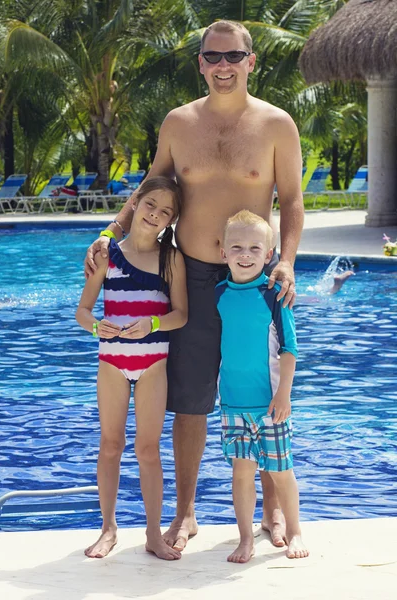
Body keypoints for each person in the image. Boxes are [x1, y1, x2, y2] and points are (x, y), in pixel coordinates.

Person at [84, 20, 305, 551]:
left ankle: (272, 513)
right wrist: (110, 232)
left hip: (254, 281)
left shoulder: (277, 125)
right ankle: (185, 513)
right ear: (201, 63)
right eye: (213, 57)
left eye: (234, 56)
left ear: (251, 61)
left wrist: (289, 262)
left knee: (258, 394)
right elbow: (152, 187)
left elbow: (293, 201)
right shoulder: (179, 123)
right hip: (190, 273)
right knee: (190, 399)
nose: (223, 66)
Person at [76, 176, 188, 560]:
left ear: (171, 221)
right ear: (136, 203)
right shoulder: (108, 255)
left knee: (148, 449)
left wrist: (152, 324)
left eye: (165, 212)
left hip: (153, 364)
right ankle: (108, 528)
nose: (155, 215)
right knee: (111, 445)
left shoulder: (171, 259)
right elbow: (83, 310)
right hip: (112, 363)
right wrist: (95, 326)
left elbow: (181, 315)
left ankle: (153, 534)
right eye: (150, 205)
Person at [216, 210, 308, 562]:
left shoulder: (274, 294)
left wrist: (284, 393)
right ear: (223, 253)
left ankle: (296, 528)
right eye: (236, 247)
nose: (245, 254)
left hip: (271, 404)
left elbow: (289, 349)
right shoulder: (219, 294)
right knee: (242, 474)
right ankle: (245, 538)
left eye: (255, 248)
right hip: (233, 405)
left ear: (268, 255)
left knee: (281, 472)